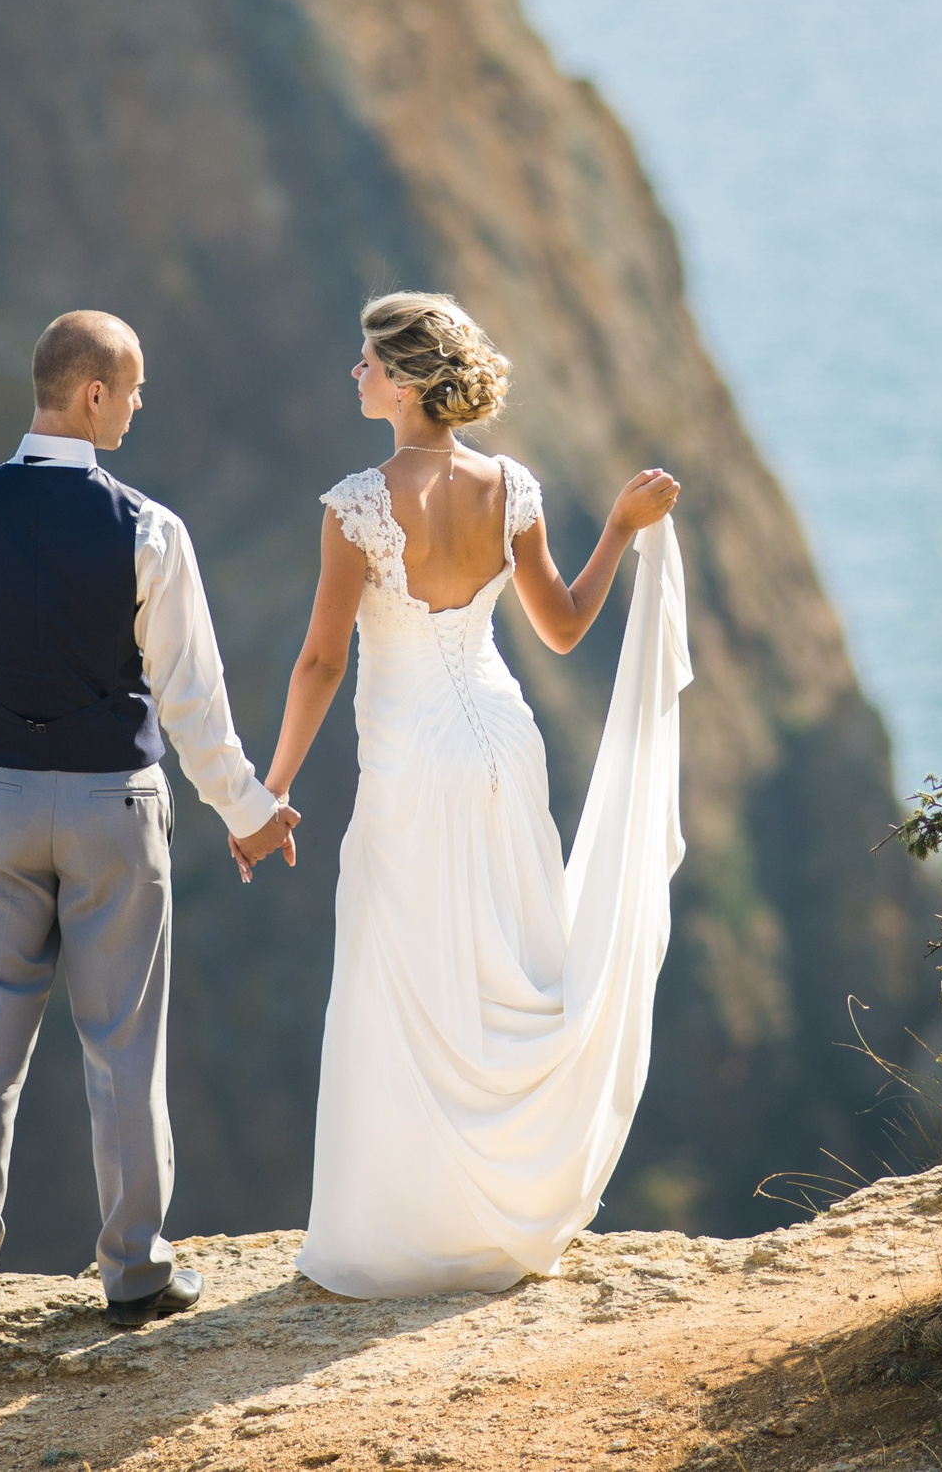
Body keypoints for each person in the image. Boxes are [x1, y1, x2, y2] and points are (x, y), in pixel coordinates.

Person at [254, 291, 690, 1297]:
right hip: (503, 742)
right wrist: (619, 529)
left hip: (411, 757)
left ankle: (402, 1233)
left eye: (365, 361)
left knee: (405, 979)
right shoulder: (511, 487)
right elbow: (566, 626)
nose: (353, 375)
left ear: (406, 382)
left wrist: (269, 790)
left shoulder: (355, 506)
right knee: (505, 974)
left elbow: (321, 663)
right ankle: (499, 1223)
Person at [0, 310, 299, 1327]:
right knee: (122, 1042)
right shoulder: (149, 529)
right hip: (118, 805)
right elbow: (193, 699)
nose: (144, 403)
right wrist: (247, 812)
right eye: (136, 386)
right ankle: (135, 1272)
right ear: (92, 394)